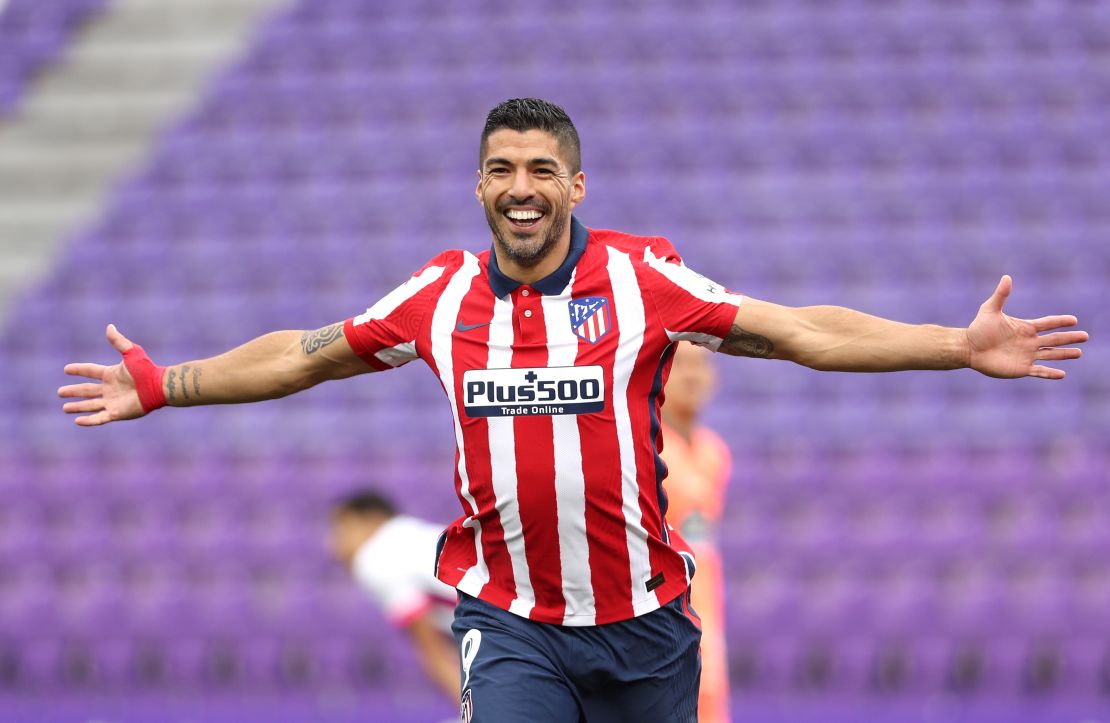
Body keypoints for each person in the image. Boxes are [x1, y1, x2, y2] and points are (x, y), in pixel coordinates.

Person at [58, 98, 1088, 722]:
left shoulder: (645, 282)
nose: (522, 186)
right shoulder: (438, 296)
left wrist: (957, 344)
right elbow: (305, 355)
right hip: (510, 621)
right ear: (478, 187)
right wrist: (169, 384)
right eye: (502, 169)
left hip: (647, 626)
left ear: (575, 183)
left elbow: (802, 331)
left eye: (541, 169)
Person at [328, 490, 460, 700]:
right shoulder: (413, 534)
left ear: (372, 520)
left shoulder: (373, 558)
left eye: (343, 527)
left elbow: (435, 654)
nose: (334, 545)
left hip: (506, 621)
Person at [659, 342, 731, 723]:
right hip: (662, 626)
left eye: (700, 364)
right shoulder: (646, 453)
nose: (692, 375)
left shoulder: (714, 453)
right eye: (680, 365)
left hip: (706, 619)